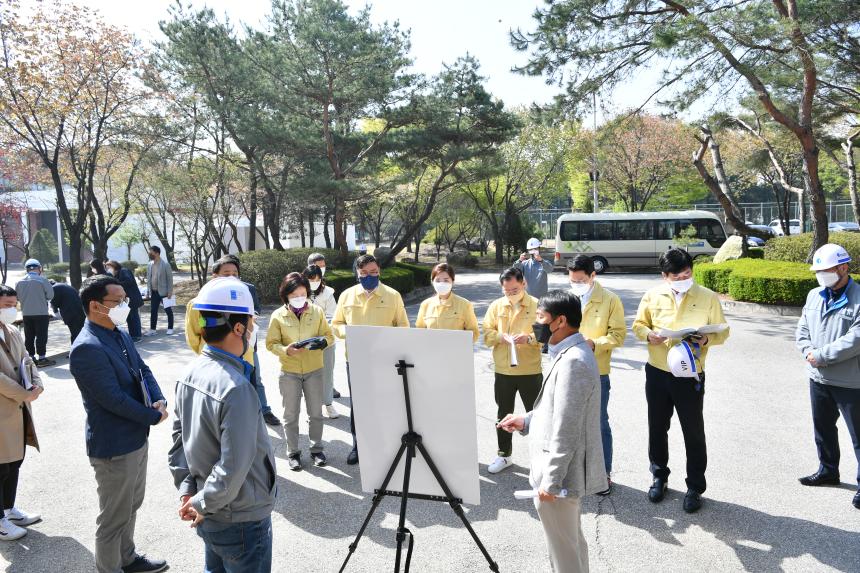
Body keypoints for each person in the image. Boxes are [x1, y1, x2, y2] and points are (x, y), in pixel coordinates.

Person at [168, 278, 276, 573]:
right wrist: (200, 503)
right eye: (251, 323)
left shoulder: (189, 373)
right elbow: (233, 467)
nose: (253, 331)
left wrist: (189, 494)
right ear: (238, 328)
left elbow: (178, 444)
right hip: (240, 517)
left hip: (209, 509)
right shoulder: (236, 387)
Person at [499, 290, 606, 573]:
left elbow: (568, 428)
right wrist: (526, 420)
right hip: (555, 475)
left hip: (558, 478)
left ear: (560, 321)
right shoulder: (567, 353)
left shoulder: (574, 362)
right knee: (568, 544)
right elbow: (555, 409)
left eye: (540, 317)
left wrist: (552, 481)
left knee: (564, 553)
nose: (535, 323)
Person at [69, 275, 168, 573]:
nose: (126, 305)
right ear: (96, 306)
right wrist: (152, 416)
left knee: (131, 506)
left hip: (136, 437)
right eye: (119, 301)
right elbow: (113, 400)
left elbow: (142, 368)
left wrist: (158, 398)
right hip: (114, 445)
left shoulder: (118, 332)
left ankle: (127, 558)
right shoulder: (87, 347)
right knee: (113, 517)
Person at [632, 248, 730, 513]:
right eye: (676, 276)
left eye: (687, 274)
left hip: (690, 373)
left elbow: (723, 330)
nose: (683, 279)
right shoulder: (653, 295)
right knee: (657, 426)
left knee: (693, 430)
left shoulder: (707, 297)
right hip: (658, 371)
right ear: (665, 276)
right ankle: (659, 476)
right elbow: (639, 325)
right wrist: (649, 335)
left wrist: (708, 338)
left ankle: (695, 486)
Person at [795, 243, 860, 510]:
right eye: (818, 271)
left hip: (851, 382)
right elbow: (802, 329)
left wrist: (821, 355)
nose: (821, 275)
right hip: (818, 378)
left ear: (843, 268)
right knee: (822, 428)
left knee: (858, 436)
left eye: (827, 270)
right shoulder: (814, 295)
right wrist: (809, 351)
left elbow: (855, 339)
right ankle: (828, 470)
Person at [185, 256, 282, 427]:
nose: (231, 277)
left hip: (245, 356)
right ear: (214, 276)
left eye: (235, 273)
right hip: (216, 360)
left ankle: (259, 415)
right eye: (226, 273)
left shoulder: (243, 296)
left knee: (249, 391)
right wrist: (206, 352)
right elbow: (193, 335)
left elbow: (250, 327)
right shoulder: (198, 303)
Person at [332, 254, 409, 465]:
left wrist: (387, 341)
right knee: (359, 406)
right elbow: (336, 324)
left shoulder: (393, 296)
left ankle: (387, 447)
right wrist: (349, 333)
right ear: (357, 273)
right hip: (356, 360)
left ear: (379, 271)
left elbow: (403, 326)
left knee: (385, 404)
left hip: (385, 361)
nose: (369, 276)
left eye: (373, 272)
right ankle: (359, 446)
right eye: (364, 273)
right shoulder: (346, 296)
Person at [568, 255, 626, 494]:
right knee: (570, 423)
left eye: (581, 280)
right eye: (572, 280)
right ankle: (574, 473)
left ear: (593, 276)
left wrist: (594, 344)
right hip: (568, 370)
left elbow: (618, 335)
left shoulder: (610, 300)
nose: (576, 284)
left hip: (597, 371)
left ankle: (603, 474)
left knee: (599, 423)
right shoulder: (566, 298)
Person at [266, 273, 334, 471]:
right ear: (286, 295)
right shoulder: (278, 315)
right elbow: (271, 343)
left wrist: (323, 342)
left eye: (302, 294)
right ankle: (293, 453)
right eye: (294, 295)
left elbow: (329, 336)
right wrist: (285, 350)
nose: (299, 298)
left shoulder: (317, 312)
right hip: (289, 371)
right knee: (290, 415)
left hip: (314, 369)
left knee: (316, 413)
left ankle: (317, 450)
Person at [482, 267, 543, 474]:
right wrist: (500, 337)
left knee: (537, 416)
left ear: (523, 283)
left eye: (514, 289)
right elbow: (487, 334)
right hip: (503, 371)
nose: (510, 294)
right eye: (507, 291)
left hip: (530, 370)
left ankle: (541, 458)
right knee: (503, 414)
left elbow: (547, 336)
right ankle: (504, 455)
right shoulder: (496, 306)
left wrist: (530, 339)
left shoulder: (537, 305)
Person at [0, 285, 44, 541]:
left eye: (13, 304)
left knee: (15, 460)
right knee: (1, 466)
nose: (10, 309)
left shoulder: (13, 330)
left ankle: (8, 508)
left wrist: (37, 383)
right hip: (7, 406)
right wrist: (23, 393)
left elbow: (28, 359)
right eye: (5, 305)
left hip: (18, 409)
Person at [302, 263, 340, 417]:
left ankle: (328, 404)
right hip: (305, 341)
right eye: (311, 279)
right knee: (308, 376)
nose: (314, 282)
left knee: (327, 373)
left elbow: (332, 316)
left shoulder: (328, 293)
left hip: (325, 340)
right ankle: (311, 407)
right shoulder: (298, 293)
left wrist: (324, 336)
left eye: (317, 279)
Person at [415, 263, 479, 342]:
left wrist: (458, 341)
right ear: (432, 282)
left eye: (446, 280)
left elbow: (474, 333)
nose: (442, 284)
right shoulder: (425, 305)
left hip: (455, 352)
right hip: (431, 352)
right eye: (438, 280)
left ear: (453, 281)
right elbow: (419, 333)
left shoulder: (464, 304)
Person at [14, 259, 55, 367]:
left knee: (29, 336)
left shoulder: (19, 282)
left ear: (27, 269)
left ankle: (31, 358)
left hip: (26, 313)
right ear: (39, 268)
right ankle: (42, 358)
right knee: (41, 336)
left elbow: (17, 297)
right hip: (41, 313)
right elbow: (50, 296)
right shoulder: (42, 280)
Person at [105, 261, 144, 342]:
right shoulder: (116, 275)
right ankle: (133, 335)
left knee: (133, 317)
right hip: (127, 299)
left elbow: (128, 282)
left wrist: (116, 284)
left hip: (132, 298)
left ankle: (137, 336)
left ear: (114, 266)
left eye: (109, 267)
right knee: (129, 318)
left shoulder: (123, 271)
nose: (107, 269)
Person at [145, 245, 174, 336]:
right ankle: (152, 329)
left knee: (168, 310)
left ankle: (170, 328)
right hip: (153, 292)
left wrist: (170, 291)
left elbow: (170, 279)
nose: (149, 254)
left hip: (164, 292)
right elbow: (148, 278)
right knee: (153, 311)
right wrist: (148, 291)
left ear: (157, 253)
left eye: (151, 252)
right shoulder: (149, 264)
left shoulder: (165, 264)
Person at [49, 279, 86, 344]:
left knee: (75, 333)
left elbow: (54, 302)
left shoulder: (54, 288)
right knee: (80, 332)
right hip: (80, 311)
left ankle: (76, 350)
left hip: (71, 313)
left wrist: (56, 313)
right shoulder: (64, 285)